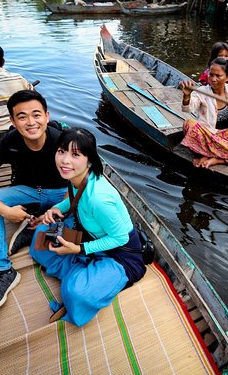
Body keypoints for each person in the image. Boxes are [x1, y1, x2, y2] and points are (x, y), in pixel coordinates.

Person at [0, 89, 69, 314]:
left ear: (47, 116)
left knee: (82, 217)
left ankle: (37, 227)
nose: (31, 122)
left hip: (62, 195)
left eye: (36, 115)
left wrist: (60, 208)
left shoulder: (63, 141)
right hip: (30, 193)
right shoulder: (9, 141)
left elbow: (83, 182)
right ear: (12, 120)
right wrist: (6, 211)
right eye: (22, 117)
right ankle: (1, 269)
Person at [30, 128, 145, 326]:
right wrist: (56, 208)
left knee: (76, 293)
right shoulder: (77, 178)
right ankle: (81, 270)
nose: (65, 160)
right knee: (41, 238)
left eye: (75, 155)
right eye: (61, 151)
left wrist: (78, 249)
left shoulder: (99, 198)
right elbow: (73, 201)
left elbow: (120, 239)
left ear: (89, 160)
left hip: (119, 255)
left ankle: (79, 273)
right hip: (89, 239)